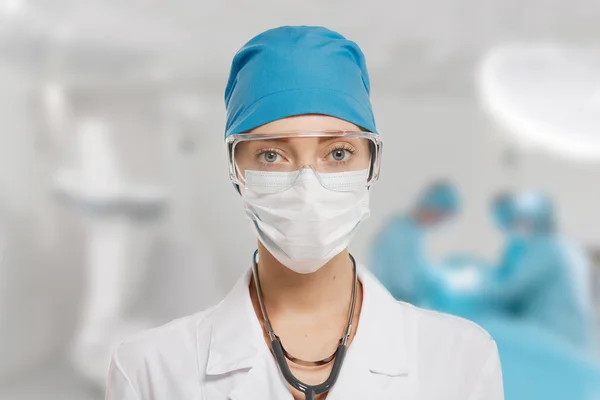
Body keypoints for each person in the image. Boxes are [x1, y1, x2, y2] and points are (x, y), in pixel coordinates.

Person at [105, 26, 503, 400]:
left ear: (372, 164)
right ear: (236, 169)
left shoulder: (461, 359)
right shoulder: (149, 371)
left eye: (338, 153)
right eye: (272, 155)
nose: (307, 187)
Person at [488, 191, 595, 350]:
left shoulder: (545, 249)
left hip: (557, 337)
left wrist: (470, 289)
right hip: (576, 337)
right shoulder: (565, 246)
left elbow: (509, 290)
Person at [370, 181, 459, 305]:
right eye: (441, 215)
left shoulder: (414, 232)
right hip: (392, 302)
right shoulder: (399, 232)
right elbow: (405, 280)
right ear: (432, 208)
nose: (439, 222)